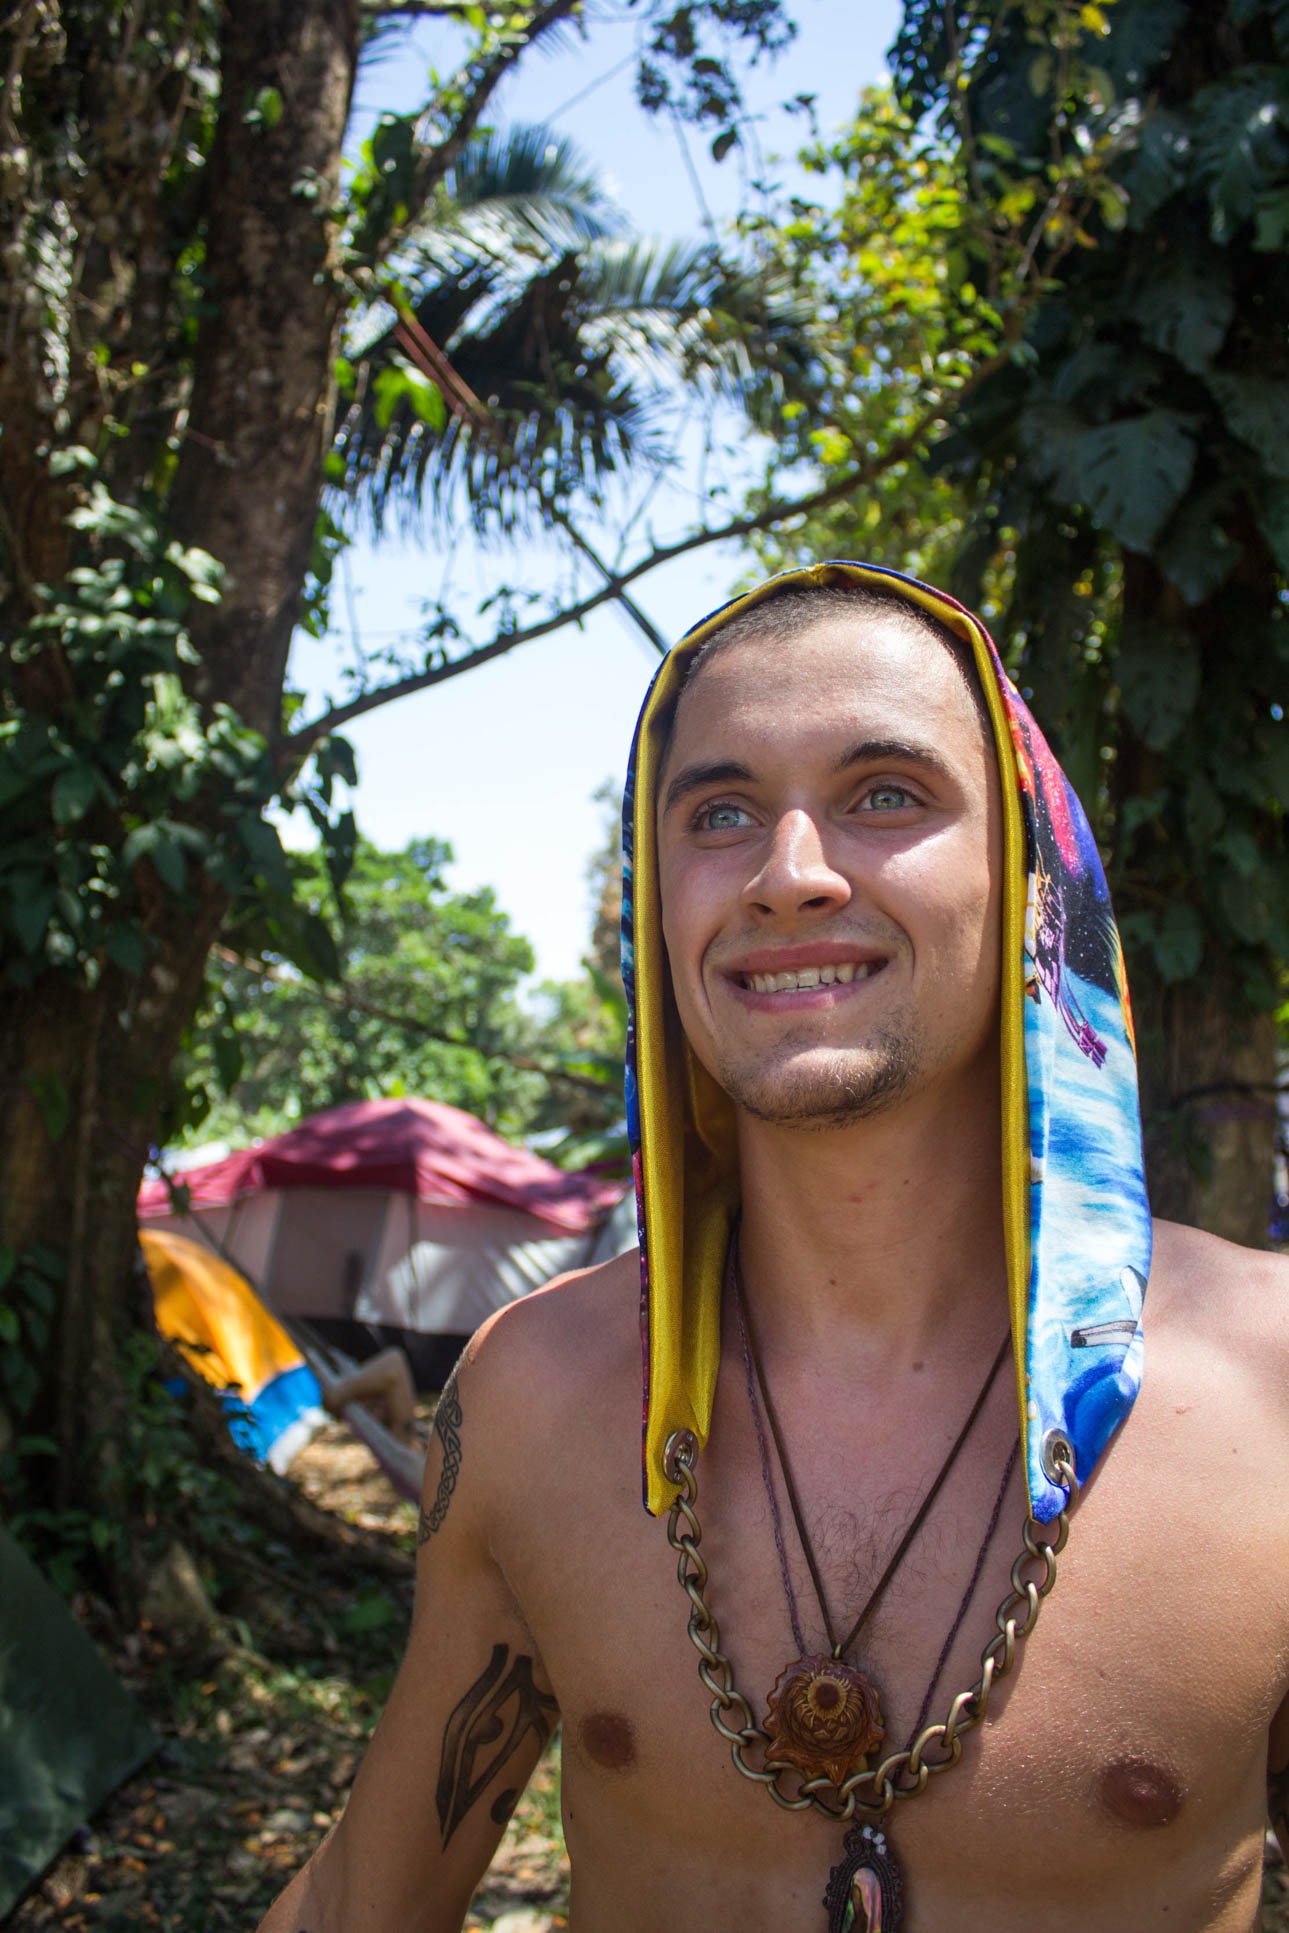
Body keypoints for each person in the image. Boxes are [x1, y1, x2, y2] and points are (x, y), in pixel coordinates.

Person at [258, 562, 1289, 1932]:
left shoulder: (1267, 1392)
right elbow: (360, 1901)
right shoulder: (535, 1395)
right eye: (721, 812)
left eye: (884, 794)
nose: (788, 875)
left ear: (1026, 877)